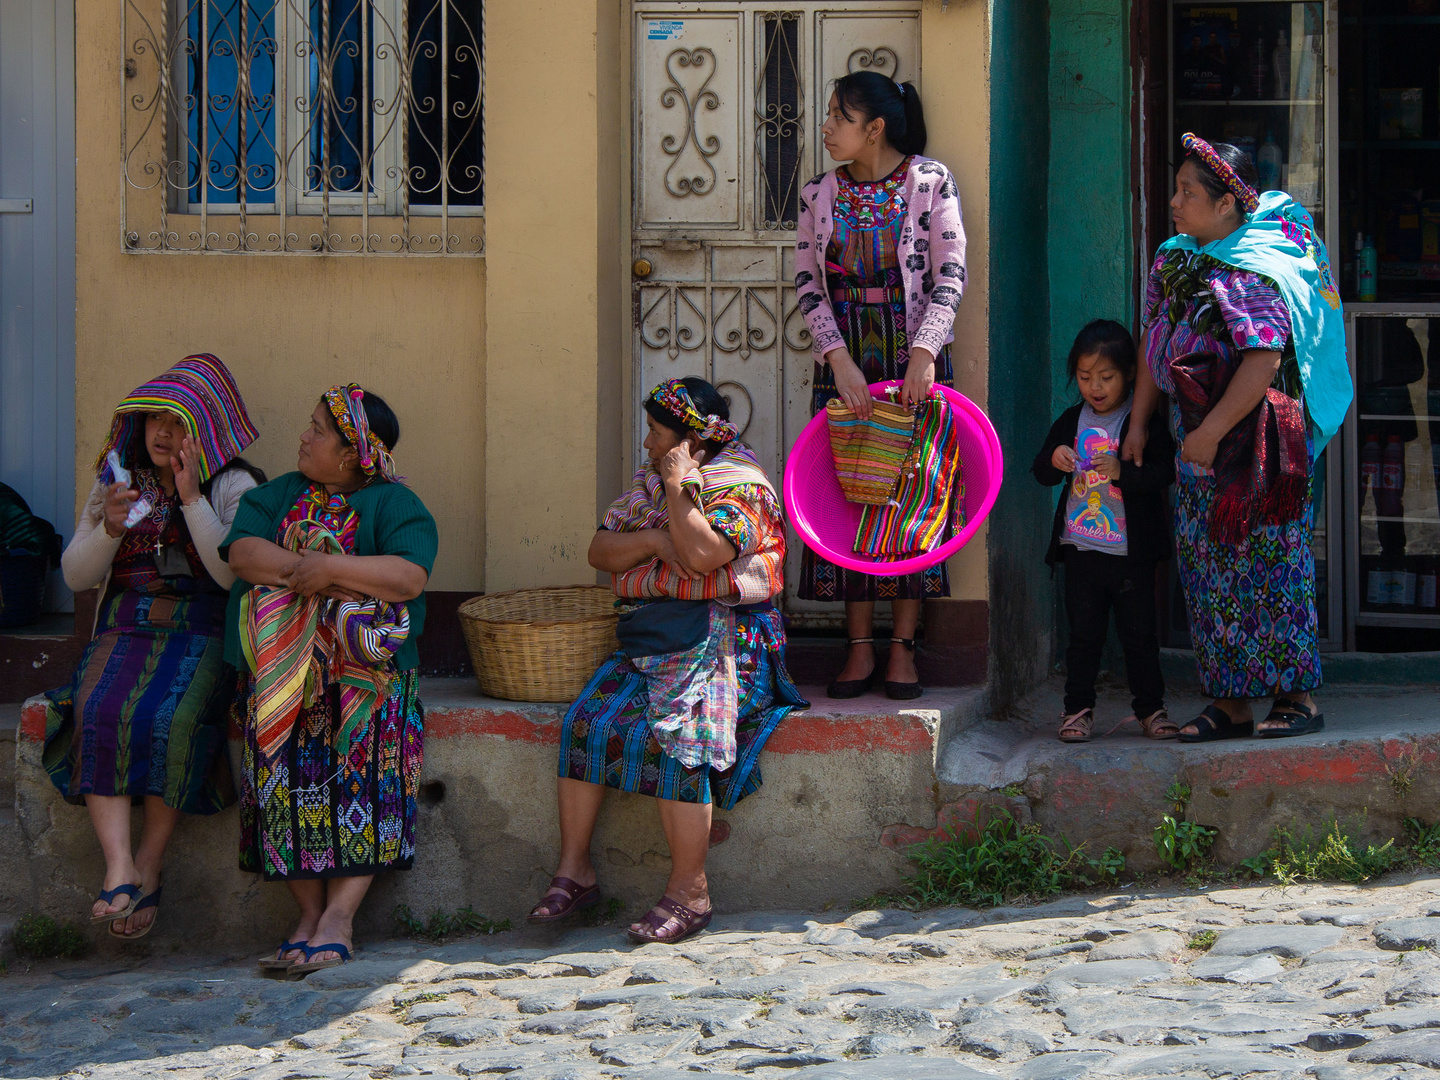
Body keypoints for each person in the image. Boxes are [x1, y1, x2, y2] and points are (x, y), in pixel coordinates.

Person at [530, 378, 808, 945]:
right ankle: (576, 872)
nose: (648, 445)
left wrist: (680, 491)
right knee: (586, 722)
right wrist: (660, 544)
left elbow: (705, 555)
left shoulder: (742, 489)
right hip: (654, 637)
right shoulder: (645, 488)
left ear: (691, 441)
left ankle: (691, 892)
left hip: (732, 640)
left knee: (683, 740)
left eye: (657, 434)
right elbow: (601, 552)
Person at [1123, 134, 1351, 741]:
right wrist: (1141, 421)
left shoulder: (1252, 268)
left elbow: (1262, 359)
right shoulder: (1176, 260)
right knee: (1207, 565)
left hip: (1260, 444)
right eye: (1176, 188)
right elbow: (1154, 341)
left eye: (1188, 192)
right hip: (1198, 444)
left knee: (1272, 563)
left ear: (1228, 204)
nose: (1174, 201)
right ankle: (1230, 703)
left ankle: (1296, 698)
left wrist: (1210, 433)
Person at [43, 354, 263, 939]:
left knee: (174, 715)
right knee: (99, 707)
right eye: (153, 421)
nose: (163, 433)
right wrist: (111, 529)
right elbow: (73, 576)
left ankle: (149, 864)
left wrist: (192, 499)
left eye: (179, 421)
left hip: (202, 629)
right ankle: (117, 865)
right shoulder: (117, 482)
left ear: (209, 427)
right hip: (126, 627)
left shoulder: (235, 485)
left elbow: (231, 576)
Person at [224, 385, 437, 974]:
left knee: (362, 788)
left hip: (367, 682)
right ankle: (308, 913)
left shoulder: (395, 505)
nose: (304, 436)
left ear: (351, 453)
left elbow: (407, 577)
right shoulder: (280, 494)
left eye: (318, 429)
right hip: (282, 676)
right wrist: (310, 573)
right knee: (281, 789)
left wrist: (332, 567)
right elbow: (242, 554)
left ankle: (339, 919)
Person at [794, 70, 967, 700]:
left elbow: (950, 274)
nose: (826, 128)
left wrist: (926, 351)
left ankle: (902, 650)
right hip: (846, 362)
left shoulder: (930, 182)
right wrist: (838, 360)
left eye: (838, 116)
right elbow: (808, 283)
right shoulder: (818, 194)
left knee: (915, 498)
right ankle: (859, 648)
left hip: (914, 360)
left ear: (875, 128)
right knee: (849, 495)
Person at [1032, 320, 1177, 743]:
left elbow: (1164, 472)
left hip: (1132, 556)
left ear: (1130, 374)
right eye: (1084, 377)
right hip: (1081, 551)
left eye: (1106, 377)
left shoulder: (1141, 422)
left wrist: (1122, 474)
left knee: (1140, 637)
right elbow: (1040, 470)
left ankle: (1151, 710)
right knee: (1083, 638)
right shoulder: (1070, 420)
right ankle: (1077, 711)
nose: (1095, 387)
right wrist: (1054, 457)